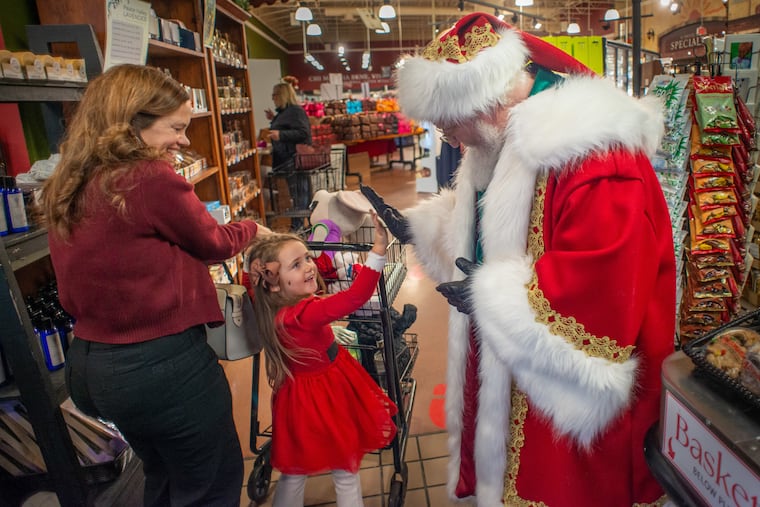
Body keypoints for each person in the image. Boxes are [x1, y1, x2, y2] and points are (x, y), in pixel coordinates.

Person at [361, 13, 676, 507]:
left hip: (566, 395)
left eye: (446, 117)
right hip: (518, 378)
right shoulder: (497, 137)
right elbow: (500, 227)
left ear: (485, 100)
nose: (445, 134)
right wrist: (430, 230)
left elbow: (603, 287)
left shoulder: (593, 154)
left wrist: (496, 298)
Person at [40, 64, 271, 507]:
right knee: (210, 485)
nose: (184, 141)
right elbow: (212, 241)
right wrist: (251, 229)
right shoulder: (145, 177)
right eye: (176, 128)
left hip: (95, 364)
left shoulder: (74, 179)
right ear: (133, 122)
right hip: (160, 367)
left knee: (164, 476)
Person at [245, 211, 397, 507]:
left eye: (307, 258)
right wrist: (379, 248)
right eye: (297, 264)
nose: (309, 267)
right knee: (345, 470)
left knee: (293, 471)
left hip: (296, 398)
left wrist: (261, 236)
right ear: (274, 282)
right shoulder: (305, 314)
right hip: (329, 392)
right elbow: (355, 297)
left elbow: (252, 277)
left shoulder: (270, 307)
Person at [266, 81, 312, 169]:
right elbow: (287, 125)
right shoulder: (284, 112)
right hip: (287, 158)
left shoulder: (295, 111)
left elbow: (303, 132)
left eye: (274, 95)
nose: (272, 98)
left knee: (299, 182)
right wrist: (274, 119)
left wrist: (280, 135)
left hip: (294, 160)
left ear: (282, 96)